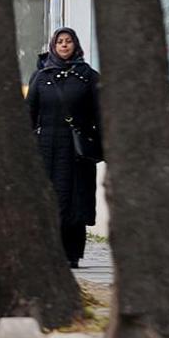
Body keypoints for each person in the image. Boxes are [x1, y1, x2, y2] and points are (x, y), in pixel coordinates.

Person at [26, 27, 102, 269]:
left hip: (76, 150)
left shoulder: (89, 76)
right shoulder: (41, 76)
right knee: (50, 200)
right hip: (46, 148)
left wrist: (98, 146)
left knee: (75, 201)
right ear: (53, 45)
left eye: (69, 41)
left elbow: (101, 114)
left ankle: (72, 254)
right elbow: (29, 114)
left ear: (75, 45)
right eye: (60, 41)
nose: (64, 45)